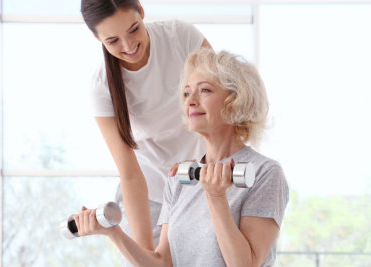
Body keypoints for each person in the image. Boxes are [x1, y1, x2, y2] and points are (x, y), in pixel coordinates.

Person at [75, 48, 289, 267]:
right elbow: (162, 263)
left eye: (205, 90)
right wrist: (113, 233)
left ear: (235, 101)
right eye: (187, 93)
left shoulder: (264, 173)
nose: (191, 101)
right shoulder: (180, 177)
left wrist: (216, 197)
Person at [80, 0, 211, 261]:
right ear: (97, 38)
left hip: (202, 183)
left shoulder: (181, 37)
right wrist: (145, 253)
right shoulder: (101, 86)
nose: (128, 47)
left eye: (133, 30)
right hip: (148, 195)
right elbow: (129, 173)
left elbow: (221, 106)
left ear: (141, 10)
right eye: (113, 40)